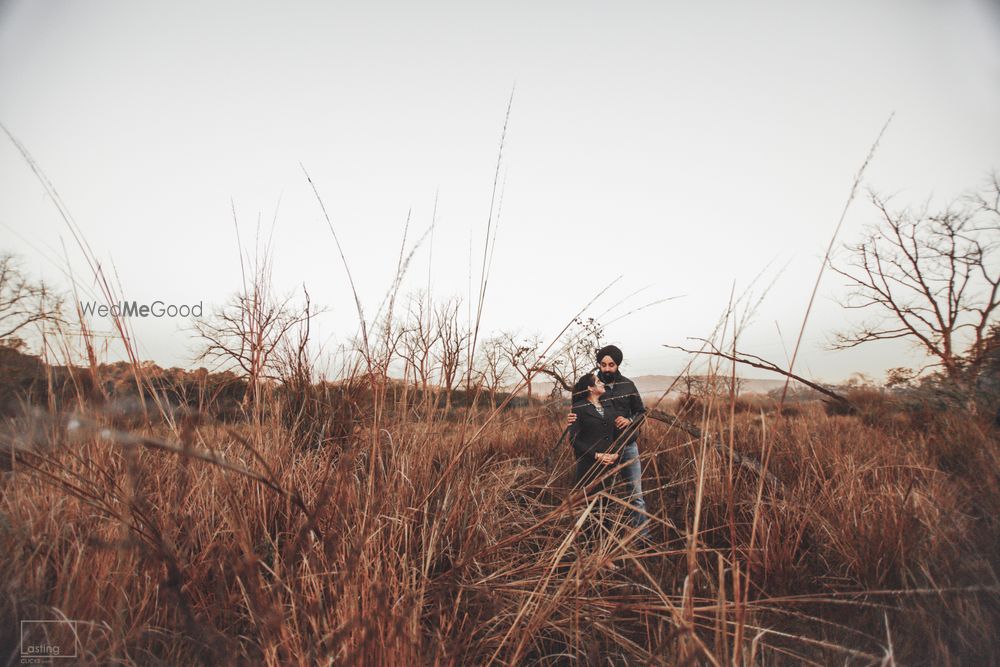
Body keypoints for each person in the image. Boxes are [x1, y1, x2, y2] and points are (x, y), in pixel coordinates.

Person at [567, 344, 650, 542]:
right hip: (601, 451)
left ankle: (643, 539)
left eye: (611, 364)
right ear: (599, 364)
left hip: (627, 446)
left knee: (635, 494)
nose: (606, 369)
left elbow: (641, 412)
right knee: (601, 497)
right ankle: (599, 542)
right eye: (603, 364)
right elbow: (579, 406)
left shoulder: (628, 386)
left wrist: (630, 420)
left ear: (617, 365)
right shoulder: (591, 383)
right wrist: (571, 418)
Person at [568, 371, 624, 569]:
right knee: (589, 512)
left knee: (606, 509)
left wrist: (616, 453)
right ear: (590, 388)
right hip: (589, 467)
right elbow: (574, 440)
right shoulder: (579, 409)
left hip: (609, 465)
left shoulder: (609, 406)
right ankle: (587, 555)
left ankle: (604, 555)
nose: (602, 383)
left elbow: (620, 434)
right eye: (598, 381)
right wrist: (596, 455)